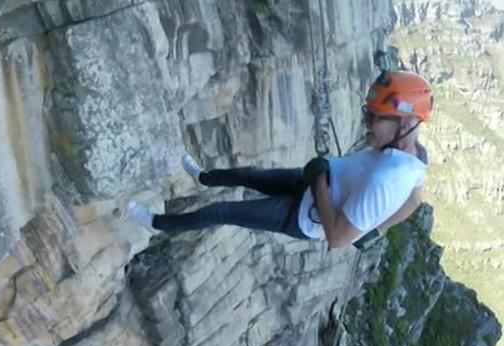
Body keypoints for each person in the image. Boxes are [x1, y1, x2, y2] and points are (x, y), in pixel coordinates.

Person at [127, 70, 432, 249]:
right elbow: (413, 201)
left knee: (221, 211)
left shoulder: (386, 182)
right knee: (247, 174)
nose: (367, 124)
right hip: (312, 182)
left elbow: (338, 239)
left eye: (375, 118)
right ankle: (203, 177)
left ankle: (156, 223)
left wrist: (321, 184)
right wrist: (376, 231)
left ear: (404, 125)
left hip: (302, 215)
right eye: (367, 114)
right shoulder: (415, 157)